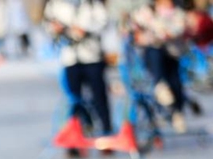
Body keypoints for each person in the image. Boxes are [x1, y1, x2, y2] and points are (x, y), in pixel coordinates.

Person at [43, 0, 113, 145]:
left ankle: (106, 134)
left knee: (99, 97)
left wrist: (84, 29)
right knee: (74, 100)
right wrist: (56, 29)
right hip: (70, 58)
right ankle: (75, 140)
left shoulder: (92, 4)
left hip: (92, 56)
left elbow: (104, 22)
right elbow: (47, 25)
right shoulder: (55, 5)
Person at [130, 0, 189, 133]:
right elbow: (134, 25)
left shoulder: (177, 13)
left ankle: (177, 113)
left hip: (172, 52)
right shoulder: (147, 11)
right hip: (153, 52)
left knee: (176, 84)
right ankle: (160, 86)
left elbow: (177, 30)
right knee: (154, 54)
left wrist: (162, 32)